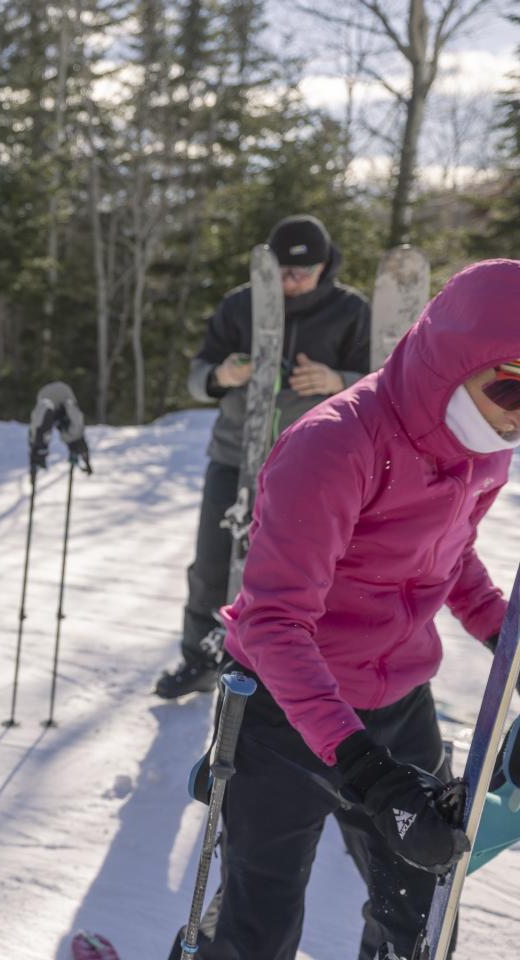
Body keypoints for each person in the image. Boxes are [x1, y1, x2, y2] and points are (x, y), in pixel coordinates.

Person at [174, 260, 520, 960]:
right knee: (259, 922)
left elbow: (447, 559)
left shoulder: (486, 449)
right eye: (513, 384)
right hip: (283, 711)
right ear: (455, 363)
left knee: (419, 915)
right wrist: (367, 770)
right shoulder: (335, 445)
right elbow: (273, 622)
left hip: (397, 705)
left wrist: (503, 636)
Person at [156, 215, 372, 699]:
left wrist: (337, 381)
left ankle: (295, 672)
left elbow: (380, 377)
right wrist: (224, 376)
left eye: (302, 273)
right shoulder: (240, 303)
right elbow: (198, 375)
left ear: (324, 266)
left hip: (313, 464)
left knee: (304, 573)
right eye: (282, 273)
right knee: (213, 564)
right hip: (236, 453)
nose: (291, 283)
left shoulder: (350, 309)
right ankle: (201, 657)